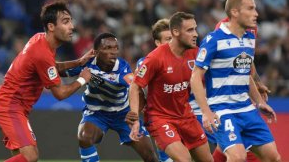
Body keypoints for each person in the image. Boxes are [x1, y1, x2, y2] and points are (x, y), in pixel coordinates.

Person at [0, 2, 93, 162]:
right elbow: (60, 93)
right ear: (51, 26)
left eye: (71, 21)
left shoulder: (40, 40)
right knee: (30, 157)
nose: (72, 26)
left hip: (14, 106)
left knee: (21, 157)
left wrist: (79, 62)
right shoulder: (42, 53)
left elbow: (52, 67)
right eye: (66, 21)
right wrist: (82, 79)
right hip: (10, 106)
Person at [191, 0, 281, 161]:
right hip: (222, 109)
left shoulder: (250, 38)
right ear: (234, 12)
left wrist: (259, 102)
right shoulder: (214, 39)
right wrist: (206, 112)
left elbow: (245, 72)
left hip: (245, 108)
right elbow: (195, 77)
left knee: (273, 157)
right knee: (237, 157)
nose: (257, 13)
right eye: (251, 8)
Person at [128, 12, 213, 162]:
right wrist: (135, 118)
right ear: (175, 32)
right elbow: (135, 86)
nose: (196, 34)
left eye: (195, 29)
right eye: (190, 30)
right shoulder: (155, 58)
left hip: (186, 115)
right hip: (160, 118)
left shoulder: (195, 53)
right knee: (184, 159)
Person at [61, 32, 158, 162]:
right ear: (95, 52)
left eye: (116, 48)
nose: (113, 52)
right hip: (96, 113)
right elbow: (57, 70)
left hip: (123, 113)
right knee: (84, 137)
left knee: (150, 157)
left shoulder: (122, 68)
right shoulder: (87, 64)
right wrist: (76, 62)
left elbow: (136, 87)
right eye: (107, 48)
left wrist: (137, 111)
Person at [133, 18, 173, 162]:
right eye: (168, 38)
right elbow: (139, 89)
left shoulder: (188, 57)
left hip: (189, 113)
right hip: (160, 115)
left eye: (173, 38)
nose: (172, 42)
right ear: (157, 42)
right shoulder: (147, 62)